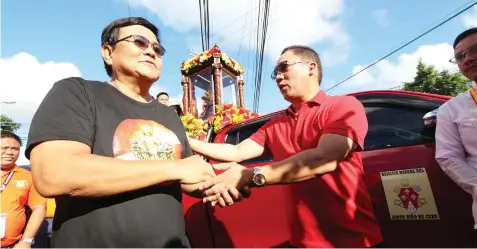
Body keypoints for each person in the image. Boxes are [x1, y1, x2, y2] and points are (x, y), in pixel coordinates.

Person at [25, 17, 227, 248]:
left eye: (157, 48)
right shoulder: (77, 92)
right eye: (139, 42)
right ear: (108, 52)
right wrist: (177, 167)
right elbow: (54, 173)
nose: (151, 51)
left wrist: (219, 182)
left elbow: (185, 179)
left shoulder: (170, 115)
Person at [189, 45, 383, 248]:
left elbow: (324, 158)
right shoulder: (276, 124)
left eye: (284, 68)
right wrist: (185, 140)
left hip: (355, 242)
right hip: (301, 243)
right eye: (275, 73)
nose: (278, 77)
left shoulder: (343, 106)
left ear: (311, 67)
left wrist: (250, 175)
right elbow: (237, 151)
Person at [435, 27, 477, 231]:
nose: (467, 59)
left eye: (474, 50)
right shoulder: (451, 109)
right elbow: (448, 157)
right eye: (459, 56)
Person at [1, 131, 46, 248]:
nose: (10, 152)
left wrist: (26, 241)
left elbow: (39, 209)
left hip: (11, 245)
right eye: (4, 148)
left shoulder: (28, 176)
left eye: (15, 149)